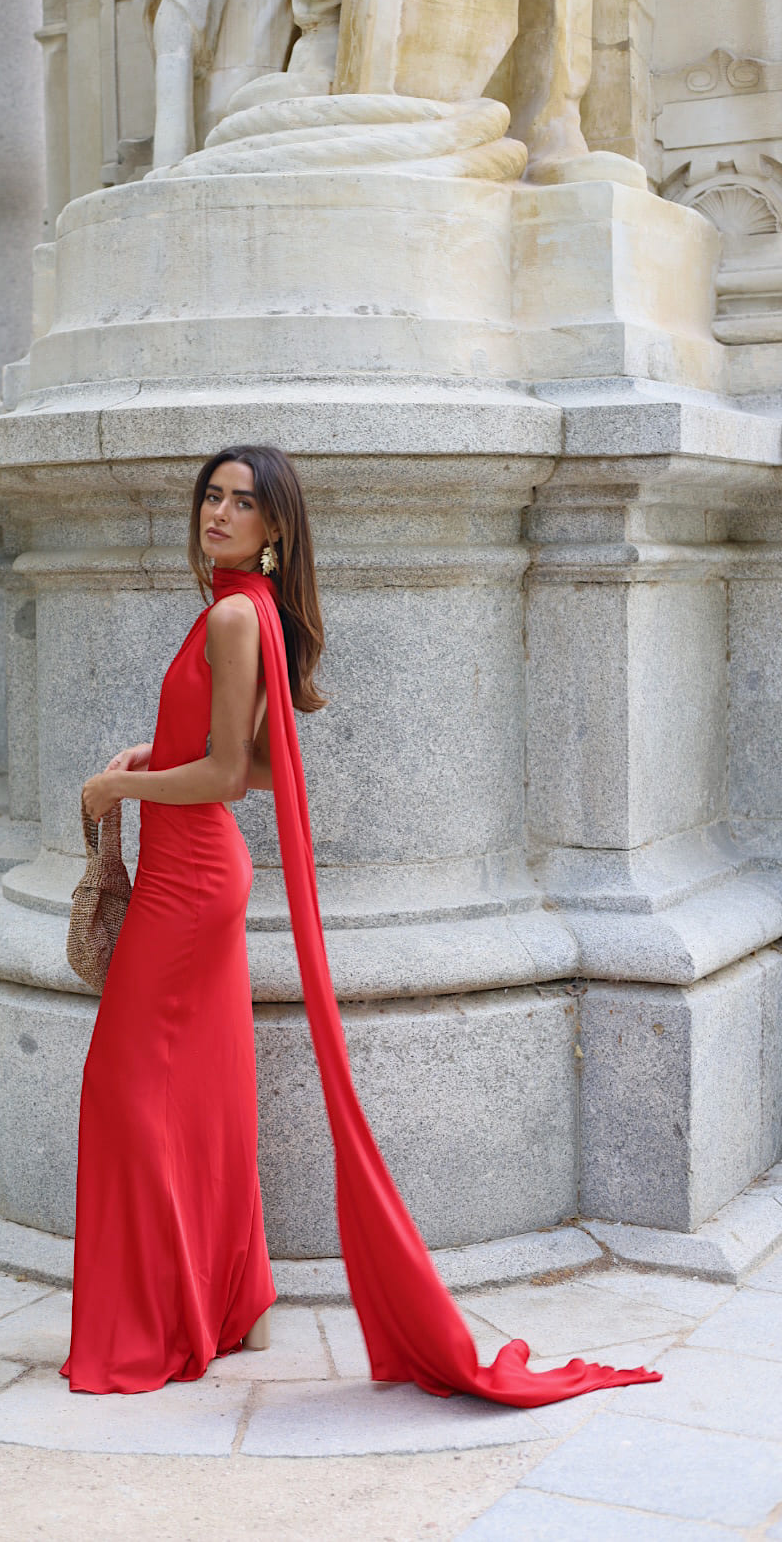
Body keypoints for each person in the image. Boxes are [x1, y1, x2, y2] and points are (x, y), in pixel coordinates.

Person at [62, 444, 662, 1406]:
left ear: (275, 529)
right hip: (199, 874)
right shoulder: (246, 610)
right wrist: (158, 750)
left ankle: (164, 1324)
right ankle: (238, 1306)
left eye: (241, 502)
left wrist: (115, 784)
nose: (217, 512)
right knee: (206, 1097)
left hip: (187, 883)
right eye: (210, 496)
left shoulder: (229, 615)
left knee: (122, 1095)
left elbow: (226, 780)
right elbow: (254, 765)